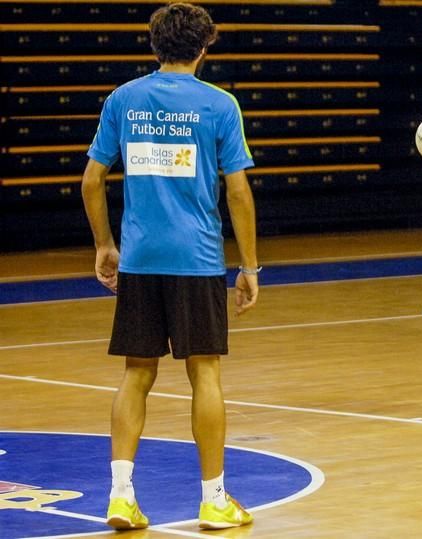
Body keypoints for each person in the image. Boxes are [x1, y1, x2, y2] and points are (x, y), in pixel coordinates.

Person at [81, 2, 258, 530]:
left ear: (154, 44)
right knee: (204, 373)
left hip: (140, 258)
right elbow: (238, 191)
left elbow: (92, 181)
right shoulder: (220, 104)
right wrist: (250, 266)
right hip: (197, 260)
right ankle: (214, 498)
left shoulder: (124, 99)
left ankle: (119, 496)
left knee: (136, 375)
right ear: (205, 48)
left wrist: (105, 245)